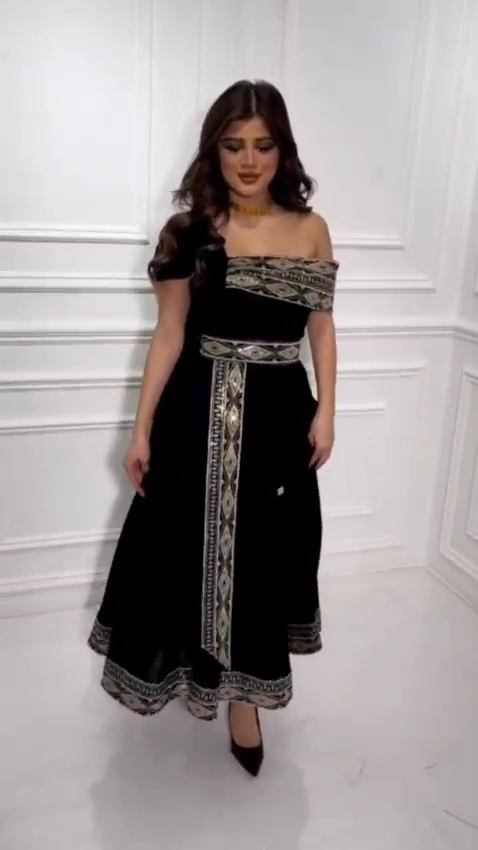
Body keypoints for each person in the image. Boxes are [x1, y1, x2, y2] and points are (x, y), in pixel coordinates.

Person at [88, 79, 338, 777]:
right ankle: (200, 675)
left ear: (283, 151)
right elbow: (169, 334)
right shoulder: (189, 232)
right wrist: (140, 431)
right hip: (195, 415)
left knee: (265, 556)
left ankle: (246, 700)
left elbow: (322, 327)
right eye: (233, 146)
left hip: (280, 419)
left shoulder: (310, 229)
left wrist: (327, 408)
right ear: (214, 151)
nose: (249, 161)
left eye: (263, 145)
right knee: (184, 551)